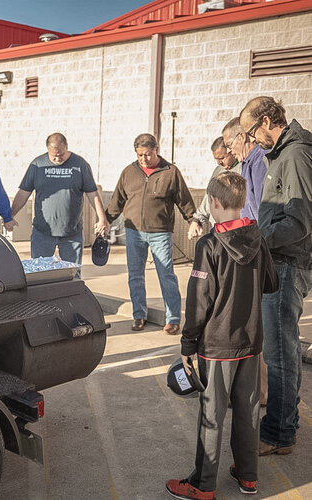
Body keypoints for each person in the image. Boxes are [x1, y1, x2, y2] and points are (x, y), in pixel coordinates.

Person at [166, 171, 278, 500]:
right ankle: (248, 476)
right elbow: (272, 283)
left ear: (214, 203)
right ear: (242, 203)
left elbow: (199, 299)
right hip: (251, 342)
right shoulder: (258, 238)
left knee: (212, 416)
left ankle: (203, 485)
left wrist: (188, 343)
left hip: (217, 346)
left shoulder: (209, 245)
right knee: (248, 411)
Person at [240, 96, 312, 456]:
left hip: (286, 264)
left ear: (268, 120)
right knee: (279, 350)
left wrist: (257, 241)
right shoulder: (283, 154)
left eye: (252, 131)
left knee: (280, 354)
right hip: (279, 261)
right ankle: (283, 427)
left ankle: (279, 434)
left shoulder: (295, 155)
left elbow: (298, 222)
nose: (251, 140)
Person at [106, 133, 196, 334]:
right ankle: (139, 315)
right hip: (133, 232)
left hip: (160, 233)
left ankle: (172, 318)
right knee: (135, 275)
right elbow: (116, 201)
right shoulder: (128, 172)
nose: (143, 159)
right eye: (139, 155)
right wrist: (105, 221)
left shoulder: (170, 172)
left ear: (156, 150)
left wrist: (193, 221)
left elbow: (185, 201)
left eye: (147, 154)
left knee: (166, 275)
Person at [11, 132, 109, 267]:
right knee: (40, 274)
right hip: (42, 232)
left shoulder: (80, 165)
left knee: (72, 275)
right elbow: (23, 193)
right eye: (54, 156)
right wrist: (9, 216)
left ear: (66, 147)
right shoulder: (38, 165)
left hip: (71, 234)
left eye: (61, 155)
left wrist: (102, 219)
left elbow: (93, 194)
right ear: (48, 150)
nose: (58, 159)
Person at [187, 136, 240, 240]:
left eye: (222, 158)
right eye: (216, 159)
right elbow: (209, 197)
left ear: (231, 151)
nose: (219, 162)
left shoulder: (244, 168)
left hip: (235, 232)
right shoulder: (218, 170)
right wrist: (197, 220)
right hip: (217, 231)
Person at [221, 117, 267, 222]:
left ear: (241, 137)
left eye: (229, 145)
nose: (229, 151)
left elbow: (263, 206)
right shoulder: (247, 162)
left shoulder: (259, 162)